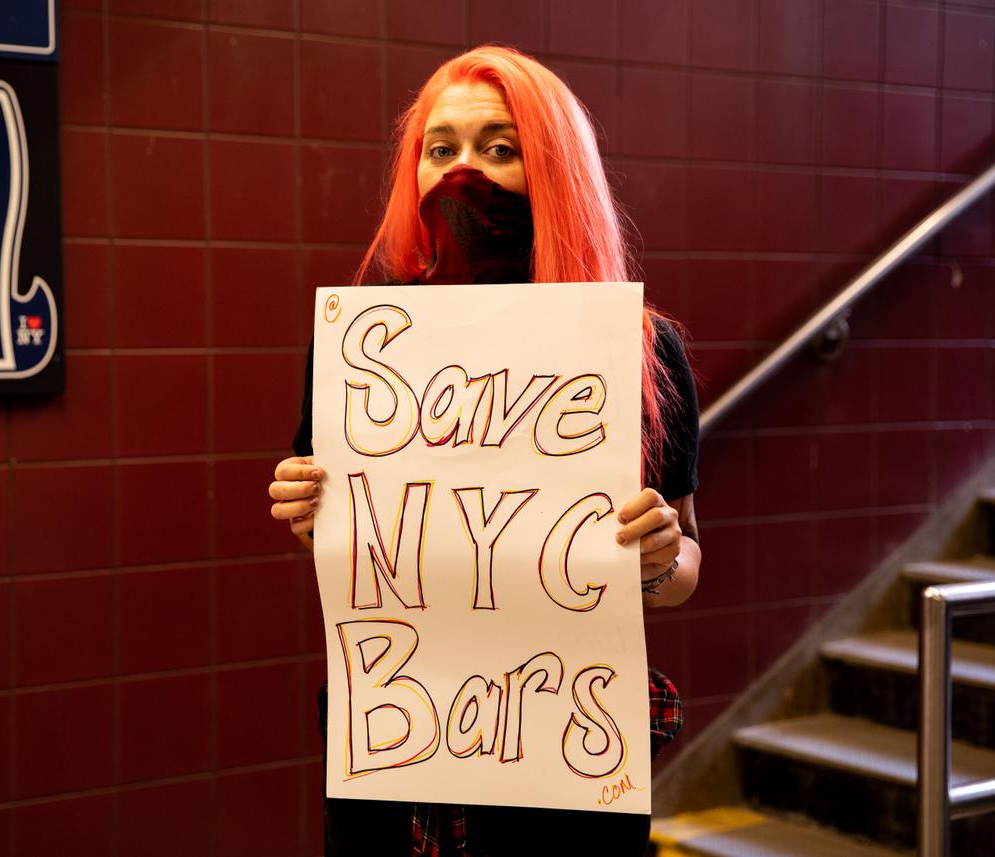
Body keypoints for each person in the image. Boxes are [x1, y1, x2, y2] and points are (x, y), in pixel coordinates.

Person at [269, 45, 701, 857]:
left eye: (500, 148)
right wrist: (309, 510)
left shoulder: (639, 349)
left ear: (555, 171)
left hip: (560, 755)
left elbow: (682, 566)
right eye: (442, 149)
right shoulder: (365, 346)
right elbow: (350, 533)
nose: (463, 172)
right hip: (397, 745)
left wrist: (658, 554)